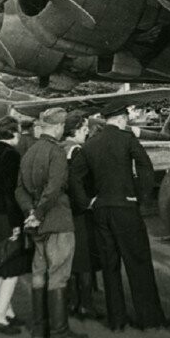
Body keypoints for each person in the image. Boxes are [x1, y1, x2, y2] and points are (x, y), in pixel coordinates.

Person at [72, 99, 170, 332]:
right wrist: (138, 195)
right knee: (138, 263)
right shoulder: (127, 139)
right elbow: (146, 169)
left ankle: (116, 320)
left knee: (110, 265)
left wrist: (88, 201)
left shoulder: (90, 144)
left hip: (101, 210)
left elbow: (75, 177)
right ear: (121, 120)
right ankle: (149, 318)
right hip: (125, 209)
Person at [15, 107, 88, 338]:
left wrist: (30, 213)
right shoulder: (56, 153)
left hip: (36, 224)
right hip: (56, 220)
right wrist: (38, 212)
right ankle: (59, 332)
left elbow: (19, 189)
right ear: (57, 127)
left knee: (39, 272)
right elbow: (54, 188)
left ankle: (40, 327)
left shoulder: (29, 152)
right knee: (59, 274)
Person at [0, 116, 33, 335]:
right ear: (13, 132)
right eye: (19, 132)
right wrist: (16, 223)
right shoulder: (11, 155)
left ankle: (8, 311)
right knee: (12, 267)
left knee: (0, 264)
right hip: (7, 215)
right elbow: (12, 193)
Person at [62, 110, 103, 321]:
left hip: (63, 209)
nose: (87, 133)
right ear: (76, 129)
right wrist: (89, 201)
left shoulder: (59, 148)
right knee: (85, 259)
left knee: (70, 259)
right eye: (85, 129)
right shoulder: (77, 151)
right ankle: (86, 304)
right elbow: (81, 181)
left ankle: (71, 301)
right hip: (80, 211)